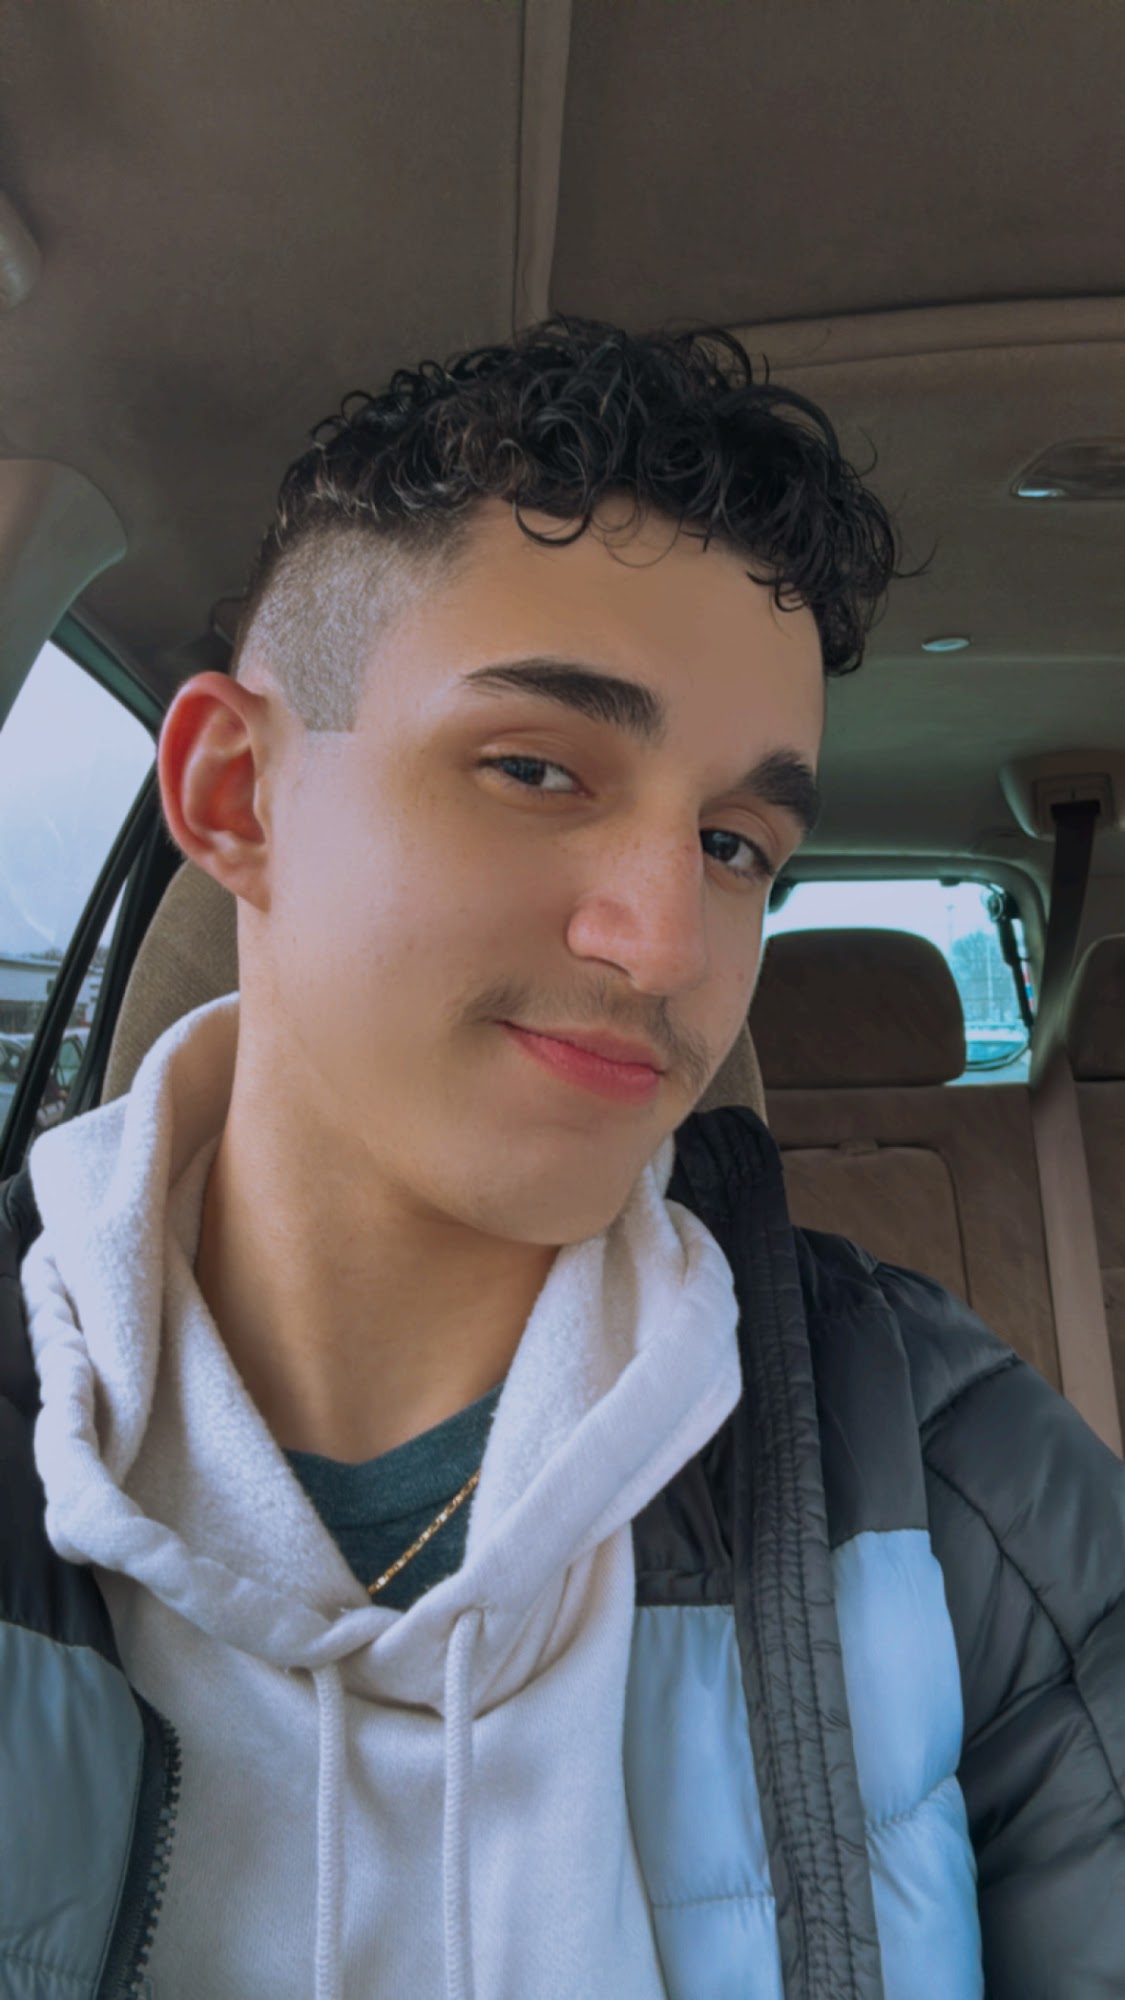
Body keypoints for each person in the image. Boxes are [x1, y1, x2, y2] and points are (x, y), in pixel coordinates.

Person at [1, 315, 1121, 2000]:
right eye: (534, 769)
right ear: (236, 794)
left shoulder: (950, 1468)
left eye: (734, 845)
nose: (663, 944)